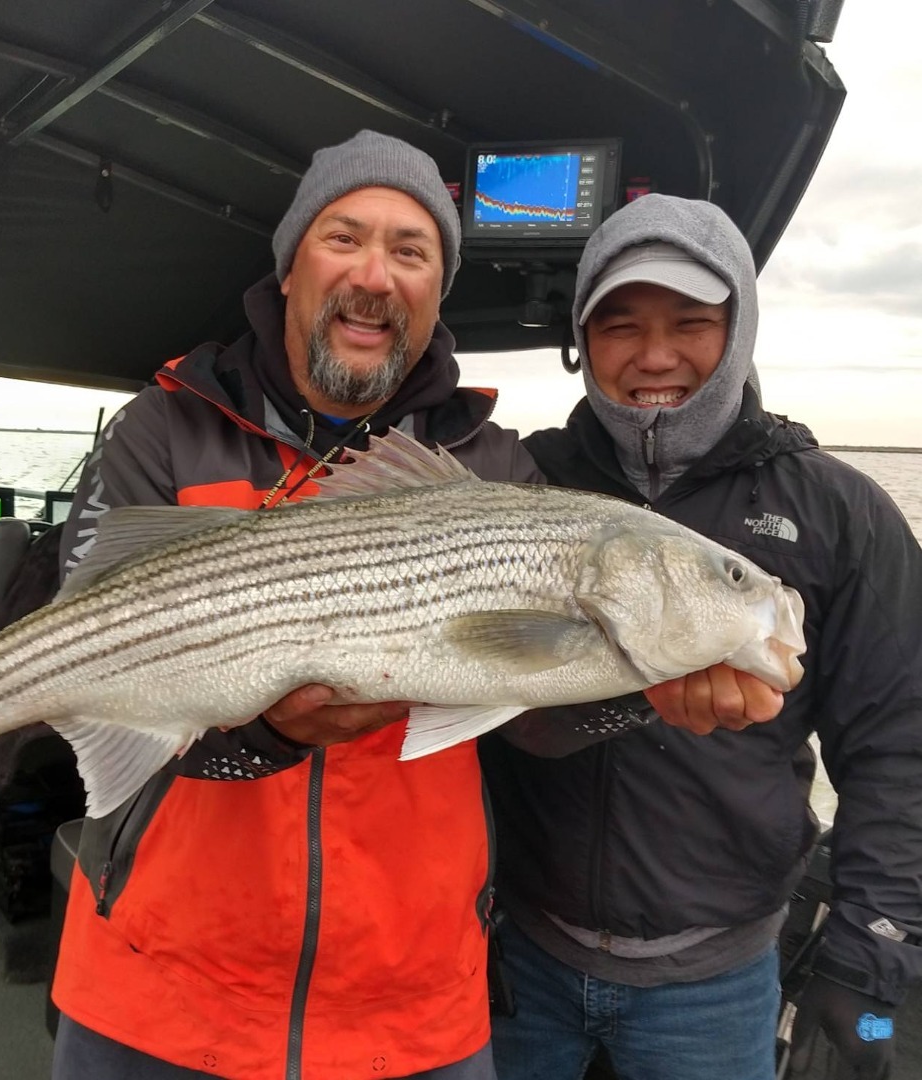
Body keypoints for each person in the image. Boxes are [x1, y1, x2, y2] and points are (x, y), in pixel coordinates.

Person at [49, 131, 778, 1080]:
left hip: (411, 1009)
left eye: (412, 251)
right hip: (155, 992)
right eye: (343, 238)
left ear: (437, 293)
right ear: (290, 267)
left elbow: (530, 723)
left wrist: (648, 685)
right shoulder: (166, 427)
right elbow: (98, 675)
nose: (375, 275)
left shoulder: (491, 465)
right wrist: (275, 735)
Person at [482, 193, 922, 1080]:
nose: (655, 355)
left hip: (716, 978)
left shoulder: (840, 512)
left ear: (741, 331)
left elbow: (897, 743)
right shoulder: (520, 481)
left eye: (692, 321)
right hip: (516, 950)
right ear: (582, 341)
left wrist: (873, 948)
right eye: (619, 326)